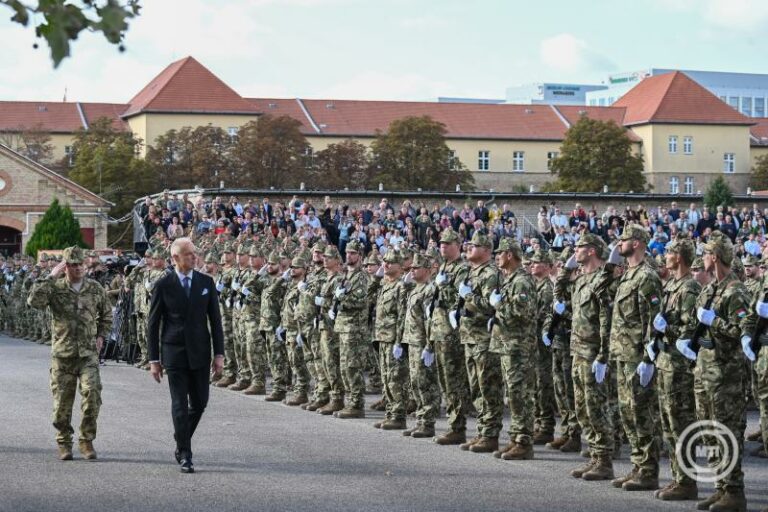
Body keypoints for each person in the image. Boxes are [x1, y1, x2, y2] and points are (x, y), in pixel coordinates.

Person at [147, 237, 225, 474]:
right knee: (180, 405)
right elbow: (153, 324)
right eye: (189, 254)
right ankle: (185, 455)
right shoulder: (163, 284)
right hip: (175, 352)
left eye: (195, 253)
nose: (194, 257)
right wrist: (154, 360)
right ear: (175, 258)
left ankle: (181, 436)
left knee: (200, 403)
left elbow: (216, 320)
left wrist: (219, 353)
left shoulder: (206, 282)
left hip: (201, 351)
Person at [28, 246, 112, 461]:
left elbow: (106, 314)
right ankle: (64, 442)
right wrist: (50, 276)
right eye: (72, 265)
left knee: (92, 395)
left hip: (88, 354)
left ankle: (86, 440)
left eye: (80, 264)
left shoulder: (94, 288)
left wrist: (101, 334)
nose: (77, 268)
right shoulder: (54, 287)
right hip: (63, 355)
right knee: (62, 405)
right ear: (65, 266)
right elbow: (34, 302)